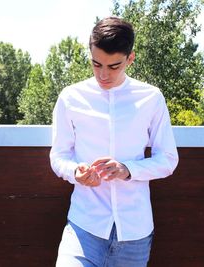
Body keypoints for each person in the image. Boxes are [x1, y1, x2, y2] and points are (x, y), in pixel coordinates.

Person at [50, 16, 179, 267]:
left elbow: (168, 159)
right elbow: (58, 156)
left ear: (130, 59)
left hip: (135, 234)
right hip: (83, 227)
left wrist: (127, 169)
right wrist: (75, 171)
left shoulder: (151, 98)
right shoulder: (70, 98)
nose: (103, 74)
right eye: (96, 64)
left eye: (113, 66)